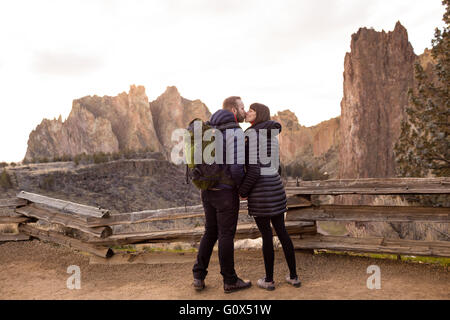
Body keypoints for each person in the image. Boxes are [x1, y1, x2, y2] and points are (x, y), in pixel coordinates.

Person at [192, 96, 252, 293]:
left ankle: (198, 276)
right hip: (225, 193)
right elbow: (236, 169)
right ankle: (230, 280)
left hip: (207, 190)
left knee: (210, 232)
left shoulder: (209, 127)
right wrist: (242, 189)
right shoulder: (234, 131)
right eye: (242, 107)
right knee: (226, 235)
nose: (245, 111)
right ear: (234, 110)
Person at [238, 103, 301, 291]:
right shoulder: (271, 134)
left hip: (260, 193)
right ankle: (294, 276)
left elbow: (254, 170)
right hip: (275, 189)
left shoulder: (251, 135)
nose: (248, 112)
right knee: (282, 232)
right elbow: (278, 166)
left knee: (267, 236)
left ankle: (269, 280)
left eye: (251, 110)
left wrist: (243, 191)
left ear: (259, 114)